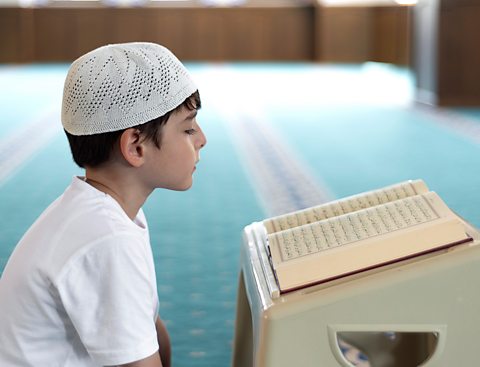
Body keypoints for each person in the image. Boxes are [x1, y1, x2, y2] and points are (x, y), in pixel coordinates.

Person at [0, 42, 207, 367]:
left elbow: (150, 331)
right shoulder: (106, 239)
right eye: (188, 128)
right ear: (136, 146)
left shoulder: (105, 214)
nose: (202, 139)